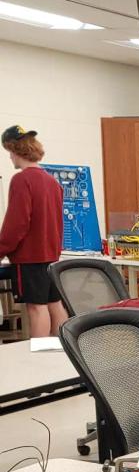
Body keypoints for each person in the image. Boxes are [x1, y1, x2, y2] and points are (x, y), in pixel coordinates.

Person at [0, 125, 67, 338]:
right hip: (50, 256)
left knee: (36, 308)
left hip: (30, 258)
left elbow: (17, 224)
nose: (9, 157)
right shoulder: (51, 181)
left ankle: (41, 362)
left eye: (9, 152)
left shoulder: (21, 180)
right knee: (54, 304)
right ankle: (64, 355)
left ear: (15, 150)